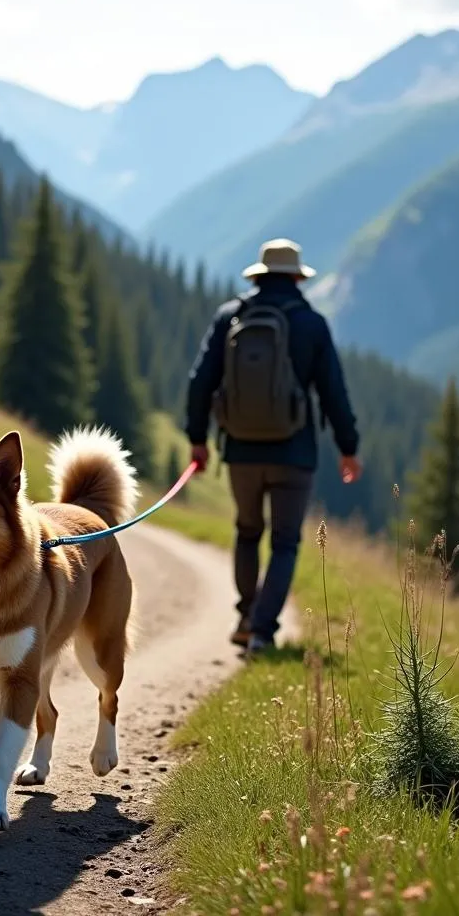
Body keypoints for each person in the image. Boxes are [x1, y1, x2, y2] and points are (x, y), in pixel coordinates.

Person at [185, 238, 362, 655]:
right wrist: (348, 447)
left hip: (241, 450)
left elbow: (200, 381)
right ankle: (263, 632)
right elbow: (334, 392)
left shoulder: (231, 316)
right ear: (298, 277)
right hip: (294, 453)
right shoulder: (311, 324)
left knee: (247, 531)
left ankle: (247, 616)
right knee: (284, 542)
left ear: (259, 275)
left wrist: (198, 439)